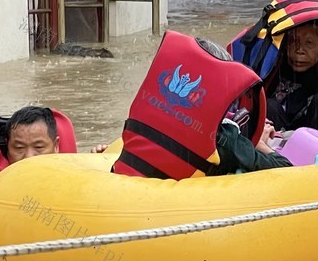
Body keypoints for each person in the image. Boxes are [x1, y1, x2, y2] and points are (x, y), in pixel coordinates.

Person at [112, 31, 289, 180]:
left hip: (121, 183)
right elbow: (286, 169)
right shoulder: (224, 138)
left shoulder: (149, 108)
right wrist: (260, 145)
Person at [230, 0, 318, 146]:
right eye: (293, 42)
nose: (299, 50)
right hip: (279, 143)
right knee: (268, 105)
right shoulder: (271, 67)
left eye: (309, 43)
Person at [0, 106, 77, 237]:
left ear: (56, 146)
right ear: (7, 147)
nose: (29, 157)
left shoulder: (76, 177)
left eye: (39, 147)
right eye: (19, 148)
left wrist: (100, 162)